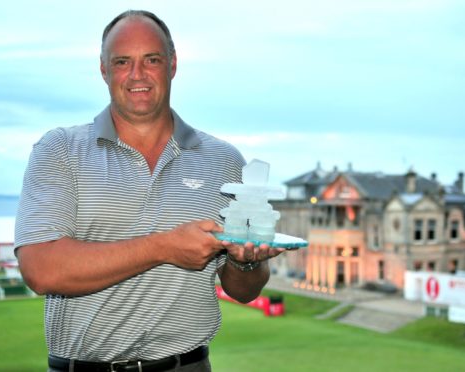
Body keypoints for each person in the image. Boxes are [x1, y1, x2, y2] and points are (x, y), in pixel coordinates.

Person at [14, 9, 284, 372]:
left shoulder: (224, 161)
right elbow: (41, 270)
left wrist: (244, 261)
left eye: (151, 60)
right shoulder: (60, 149)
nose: (137, 75)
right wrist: (164, 247)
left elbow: (244, 290)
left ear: (172, 65)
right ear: (103, 70)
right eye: (122, 61)